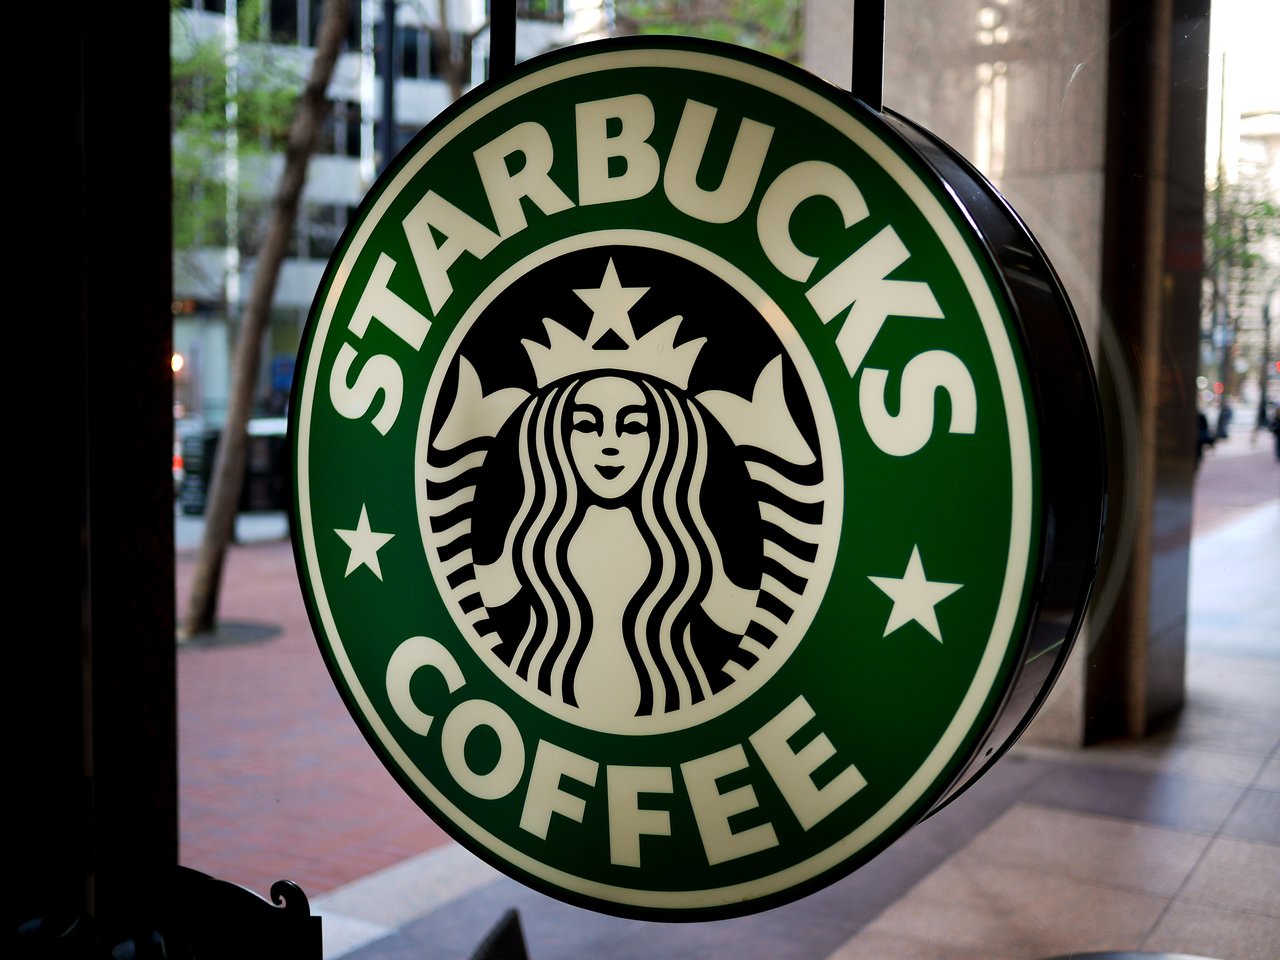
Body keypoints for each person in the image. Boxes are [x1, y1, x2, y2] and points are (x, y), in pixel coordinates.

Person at [473, 371, 754, 722]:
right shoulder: (535, 534)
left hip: (671, 700)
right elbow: (483, 594)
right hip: (546, 692)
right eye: (588, 425)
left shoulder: (687, 541)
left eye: (633, 427)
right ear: (560, 440)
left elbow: (736, 616)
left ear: (662, 441)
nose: (610, 443)